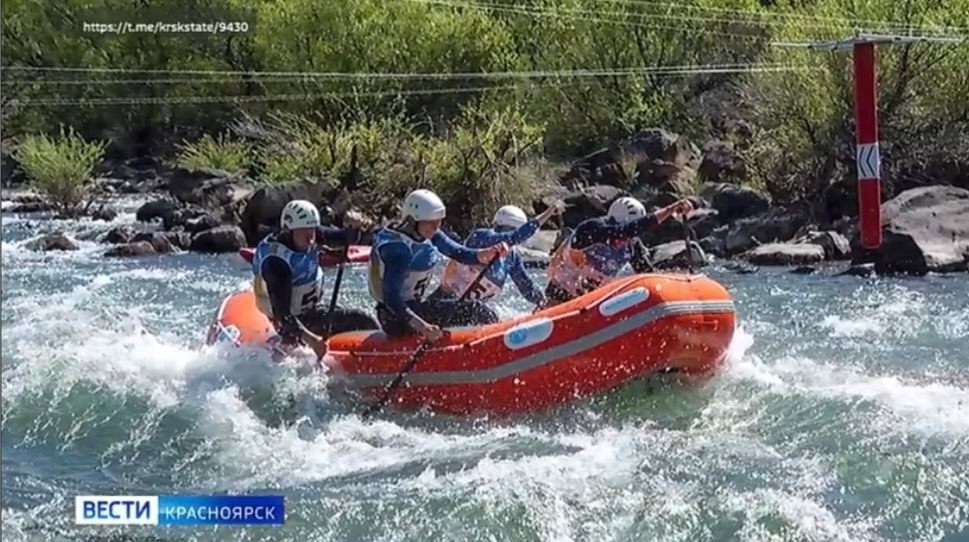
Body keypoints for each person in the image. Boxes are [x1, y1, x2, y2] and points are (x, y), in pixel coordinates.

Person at [368, 189, 509, 341]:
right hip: (395, 318)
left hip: (415, 307)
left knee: (460, 300)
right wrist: (422, 326)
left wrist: (486, 253)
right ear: (412, 220)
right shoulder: (397, 250)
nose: (436, 228)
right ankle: (501, 342)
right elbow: (391, 298)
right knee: (474, 310)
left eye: (439, 221)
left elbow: (458, 252)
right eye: (432, 222)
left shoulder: (425, 232)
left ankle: (494, 336)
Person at [252, 200, 379, 358]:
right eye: (305, 230)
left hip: (310, 312)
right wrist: (312, 341)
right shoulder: (276, 263)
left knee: (360, 319)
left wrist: (354, 228)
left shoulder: (313, 235)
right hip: (289, 324)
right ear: (288, 231)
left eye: (313, 229)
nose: (311, 236)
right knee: (361, 320)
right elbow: (284, 318)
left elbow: (345, 237)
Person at [544, 197, 694, 306]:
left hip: (590, 301)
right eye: (628, 233)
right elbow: (623, 232)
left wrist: (678, 282)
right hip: (560, 293)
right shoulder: (593, 229)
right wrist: (670, 209)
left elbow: (646, 273)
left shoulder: (632, 246)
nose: (626, 240)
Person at [430, 202, 565, 314]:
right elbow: (514, 237)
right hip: (443, 300)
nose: (517, 242)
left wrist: (544, 302)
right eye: (511, 230)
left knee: (488, 315)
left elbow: (527, 287)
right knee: (488, 316)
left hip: (468, 310)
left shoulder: (512, 258)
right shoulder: (481, 237)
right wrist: (548, 213)